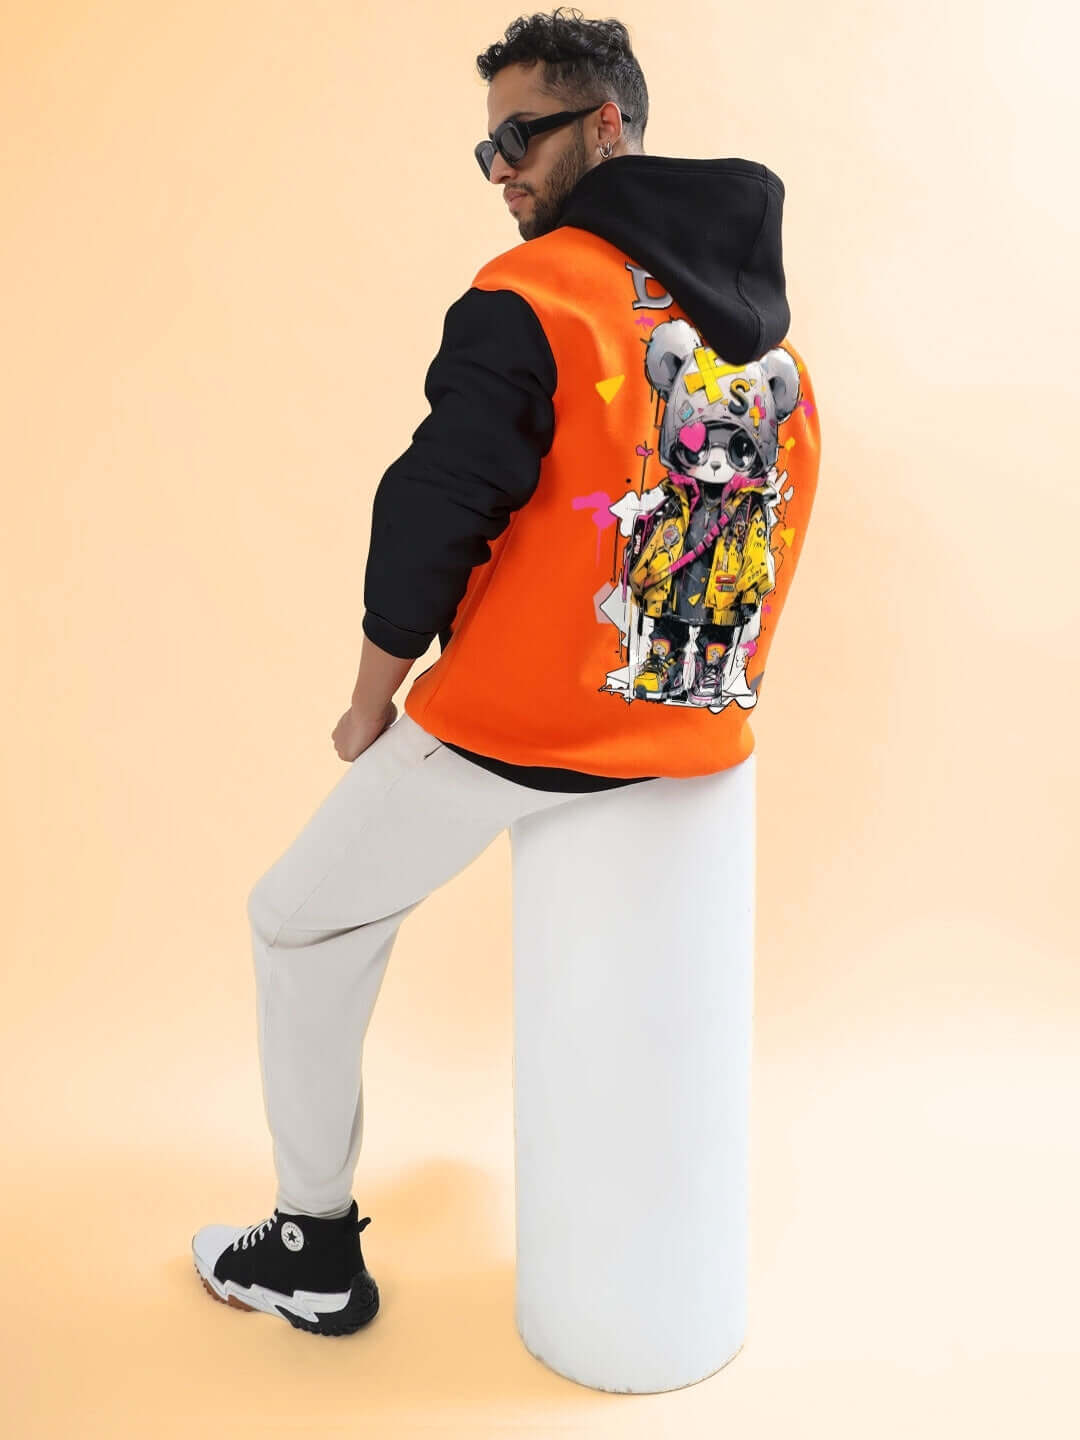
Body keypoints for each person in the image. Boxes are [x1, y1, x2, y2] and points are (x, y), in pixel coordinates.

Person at [191, 6, 820, 1335]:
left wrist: (373, 703)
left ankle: (311, 1245)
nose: (503, 173)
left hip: (518, 728)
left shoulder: (533, 295)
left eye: (521, 138)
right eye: (486, 152)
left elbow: (432, 506)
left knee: (294, 920)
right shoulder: (769, 342)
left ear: (606, 125)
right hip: (693, 734)